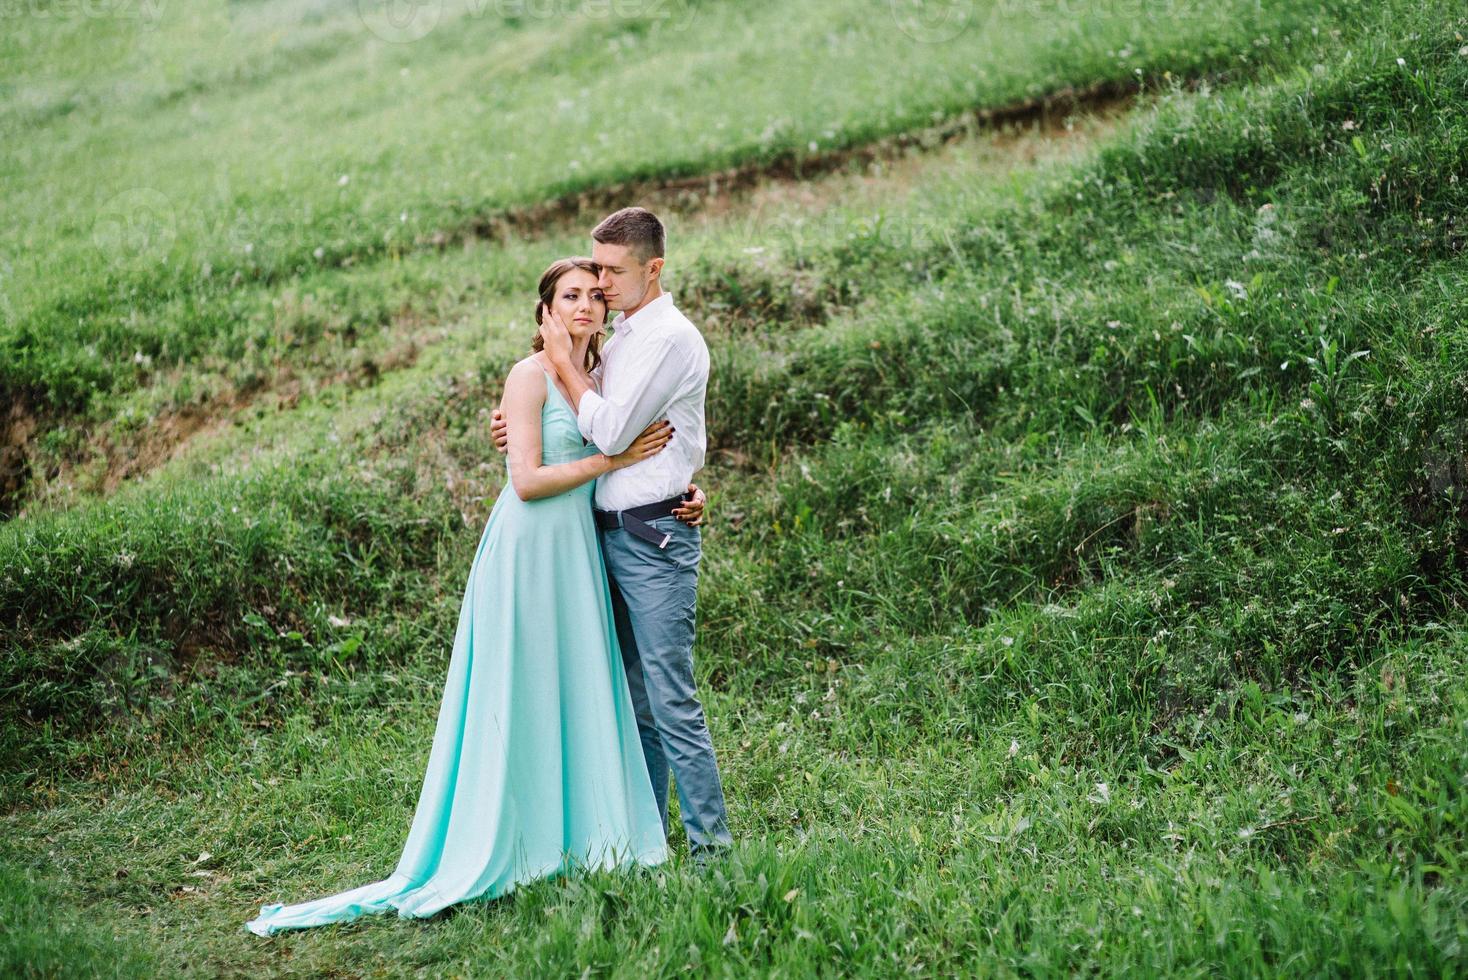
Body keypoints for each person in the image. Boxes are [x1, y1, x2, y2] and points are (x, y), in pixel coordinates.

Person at [245, 257, 678, 936]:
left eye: (596, 296)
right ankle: (509, 839)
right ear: (547, 310)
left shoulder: (603, 378)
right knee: (521, 690)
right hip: (530, 552)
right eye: (571, 296)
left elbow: (649, 444)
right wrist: (611, 461)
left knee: (574, 687)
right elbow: (529, 481)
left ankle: (581, 834)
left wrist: (684, 493)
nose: (587, 306)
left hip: (579, 555)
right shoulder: (527, 375)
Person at [492, 207, 733, 860]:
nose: (600, 285)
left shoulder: (668, 338)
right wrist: (532, 402)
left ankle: (713, 854)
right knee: (632, 705)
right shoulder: (621, 336)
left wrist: (559, 366)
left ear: (653, 269)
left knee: (670, 699)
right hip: (594, 542)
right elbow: (585, 429)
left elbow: (617, 434)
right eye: (592, 270)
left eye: (611, 272)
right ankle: (643, 839)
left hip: (654, 539)